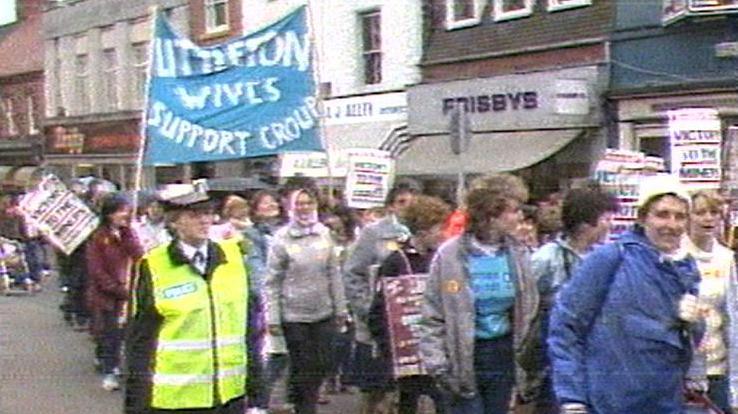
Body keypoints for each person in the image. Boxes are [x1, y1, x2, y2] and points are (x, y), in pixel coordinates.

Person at [548, 174, 703, 414]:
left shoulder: (686, 269)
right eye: (662, 214)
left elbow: (684, 344)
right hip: (607, 402)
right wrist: (572, 398)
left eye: (680, 216)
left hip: (664, 402)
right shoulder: (611, 258)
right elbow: (566, 326)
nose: (671, 225)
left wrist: (695, 323)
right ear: (642, 218)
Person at [420, 173, 542, 414]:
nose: (520, 216)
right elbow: (432, 314)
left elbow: (530, 306)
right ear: (491, 213)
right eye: (514, 210)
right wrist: (438, 366)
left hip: (503, 352)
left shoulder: (519, 253)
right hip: (464, 354)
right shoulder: (449, 256)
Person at [125, 184, 250, 414]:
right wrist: (135, 403)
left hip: (230, 395)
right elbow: (141, 338)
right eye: (194, 215)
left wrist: (258, 393)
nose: (204, 221)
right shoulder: (153, 265)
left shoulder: (234, 258)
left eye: (207, 213)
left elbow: (249, 327)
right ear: (174, 222)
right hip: (176, 399)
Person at [531, 187, 618, 413]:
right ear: (586, 222)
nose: (610, 224)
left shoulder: (606, 257)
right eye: (606, 218)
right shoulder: (546, 258)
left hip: (598, 358)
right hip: (555, 358)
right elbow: (526, 303)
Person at [265, 187, 349, 414]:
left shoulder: (324, 234)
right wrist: (272, 317)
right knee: (303, 368)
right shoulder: (280, 238)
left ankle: (304, 401)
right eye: (299, 204)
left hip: (323, 312)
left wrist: (341, 308)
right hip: (293, 315)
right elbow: (272, 281)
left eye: (308, 203)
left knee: (322, 364)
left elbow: (334, 273)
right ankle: (305, 408)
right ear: (291, 207)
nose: (304, 208)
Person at [368, 195, 451, 414]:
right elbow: (378, 311)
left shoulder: (445, 260)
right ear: (422, 230)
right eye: (438, 229)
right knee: (408, 403)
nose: (443, 234)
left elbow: (455, 294)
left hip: (439, 350)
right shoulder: (395, 261)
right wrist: (389, 349)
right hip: (407, 354)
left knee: (444, 402)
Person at [344, 183, 419, 413]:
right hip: (377, 323)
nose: (407, 208)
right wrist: (366, 308)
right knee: (375, 388)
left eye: (413, 203)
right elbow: (352, 272)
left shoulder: (422, 232)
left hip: (409, 324)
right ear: (390, 206)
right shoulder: (373, 233)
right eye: (402, 202)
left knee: (410, 390)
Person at [683, 190, 737, 413]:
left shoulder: (726, 257)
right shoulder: (677, 255)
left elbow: (732, 314)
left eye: (714, 212)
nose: (708, 218)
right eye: (701, 212)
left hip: (719, 368)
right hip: (685, 370)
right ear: (688, 217)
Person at [86, 193, 144, 391]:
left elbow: (139, 256)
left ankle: (126, 369)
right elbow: (96, 269)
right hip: (108, 296)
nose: (125, 214)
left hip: (130, 292)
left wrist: (128, 236)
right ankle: (110, 370)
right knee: (111, 335)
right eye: (120, 211)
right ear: (109, 214)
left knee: (129, 334)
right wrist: (114, 288)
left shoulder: (129, 234)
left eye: (126, 211)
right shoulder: (99, 238)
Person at [243, 189, 290, 413]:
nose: (270, 205)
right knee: (270, 352)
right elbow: (256, 271)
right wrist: (269, 296)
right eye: (264, 202)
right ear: (255, 209)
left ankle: (281, 399)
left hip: (294, 299)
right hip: (267, 301)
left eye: (273, 201)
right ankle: (258, 401)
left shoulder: (290, 231)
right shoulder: (251, 235)